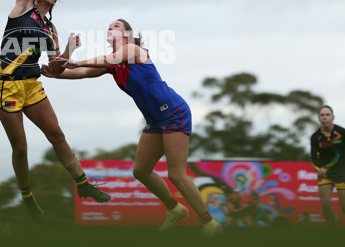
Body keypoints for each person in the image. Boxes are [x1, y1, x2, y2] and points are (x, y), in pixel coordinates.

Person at [41, 19, 222, 236]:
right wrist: (55, 73)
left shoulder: (133, 50)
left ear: (127, 34)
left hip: (173, 112)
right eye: (109, 26)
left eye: (116, 26)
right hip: (155, 120)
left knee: (176, 174)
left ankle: (209, 223)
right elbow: (78, 73)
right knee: (141, 171)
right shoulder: (110, 65)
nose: (110, 28)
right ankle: (175, 209)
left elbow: (107, 58)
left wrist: (77, 62)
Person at [0, 0, 111, 222]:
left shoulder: (50, 29)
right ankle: (27, 198)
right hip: (6, 88)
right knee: (20, 148)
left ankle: (83, 184)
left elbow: (56, 67)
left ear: (55, 2)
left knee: (57, 134)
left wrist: (70, 48)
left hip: (32, 86)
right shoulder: (21, 8)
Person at [310, 105, 345, 227]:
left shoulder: (343, 132)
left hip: (342, 173)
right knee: (325, 204)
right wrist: (318, 169)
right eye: (322, 115)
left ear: (333, 117)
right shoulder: (315, 137)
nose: (325, 117)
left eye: (327, 115)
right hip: (325, 174)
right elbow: (312, 157)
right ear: (319, 118)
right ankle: (332, 231)